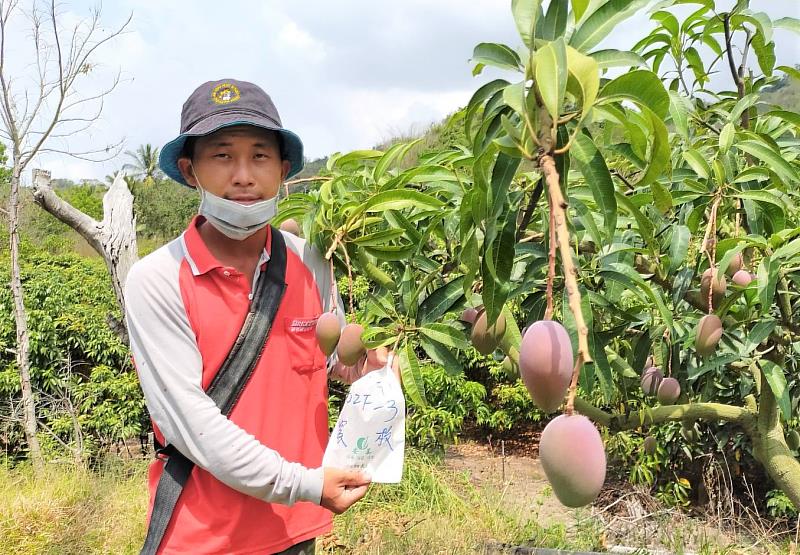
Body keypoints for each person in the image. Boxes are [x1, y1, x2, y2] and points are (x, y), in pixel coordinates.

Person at [125, 79, 396, 555]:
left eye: (260, 156)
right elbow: (194, 427)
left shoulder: (312, 259)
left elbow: (326, 361)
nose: (244, 175)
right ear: (191, 171)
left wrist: (359, 370)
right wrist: (306, 484)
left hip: (294, 532)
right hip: (202, 538)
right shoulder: (157, 279)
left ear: (284, 170)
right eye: (223, 156)